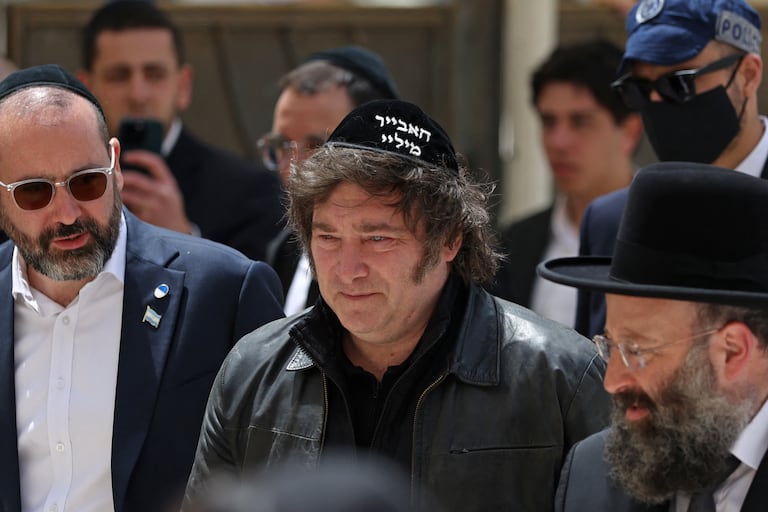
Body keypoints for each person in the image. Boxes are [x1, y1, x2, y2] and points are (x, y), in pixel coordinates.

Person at [182, 99, 610, 512]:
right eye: (328, 237)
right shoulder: (252, 372)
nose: (348, 269)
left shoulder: (562, 377)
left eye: (378, 238)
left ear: (449, 239)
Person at [0, 65, 284, 512]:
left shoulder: (226, 290)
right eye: (34, 192)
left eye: (87, 181)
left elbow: (283, 474)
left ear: (115, 164)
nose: (68, 213)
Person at [539, 163, 768, 511]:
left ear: (732, 351)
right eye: (610, 344)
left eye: (637, 349)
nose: (612, 381)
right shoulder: (591, 474)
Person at [575, 0, 767, 339]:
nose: (657, 104)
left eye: (679, 84)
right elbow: (591, 364)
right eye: (639, 89)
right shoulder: (612, 222)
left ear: (748, 76)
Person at [77, 0, 284, 261]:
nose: (138, 95)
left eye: (155, 74)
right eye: (119, 76)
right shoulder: (59, 185)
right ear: (87, 87)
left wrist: (185, 238)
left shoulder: (248, 191)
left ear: (183, 85)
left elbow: (262, 283)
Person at [489, 39, 641, 327]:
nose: (558, 142)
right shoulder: (516, 244)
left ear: (630, 131)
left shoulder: (665, 236)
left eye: (580, 122)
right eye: (548, 122)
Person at [262, 45, 399, 315]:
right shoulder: (285, 248)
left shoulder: (407, 254)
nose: (294, 167)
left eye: (317, 146)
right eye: (282, 145)